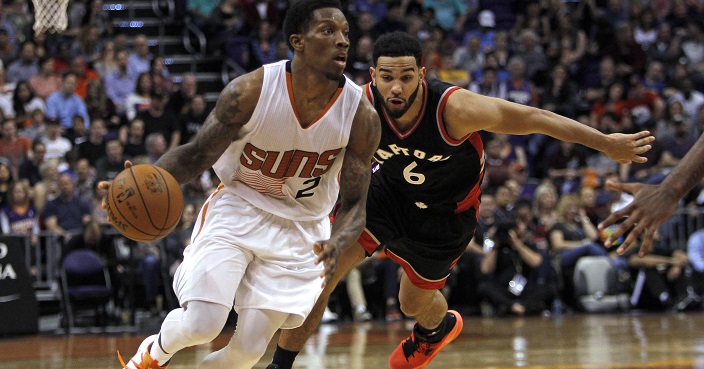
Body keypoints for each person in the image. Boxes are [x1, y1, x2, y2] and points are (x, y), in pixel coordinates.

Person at [267, 31, 654, 369]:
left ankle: (438, 329)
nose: (396, 88)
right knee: (323, 272)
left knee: (411, 303)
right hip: (388, 194)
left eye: (406, 77)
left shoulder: (455, 109)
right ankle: (280, 365)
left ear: (422, 74)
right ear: (374, 77)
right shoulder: (358, 107)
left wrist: (605, 143)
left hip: (445, 216)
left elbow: (535, 117)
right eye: (387, 78)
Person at [109, 1, 381, 369]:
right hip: (240, 207)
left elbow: (355, 205)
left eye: (346, 33)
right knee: (202, 324)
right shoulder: (252, 91)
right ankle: (152, 355)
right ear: (297, 41)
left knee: (250, 350)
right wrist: (137, 184)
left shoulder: (360, 115)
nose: (343, 42)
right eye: (329, 32)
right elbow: (197, 153)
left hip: (302, 230)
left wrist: (337, 241)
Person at [600, 133, 704, 257]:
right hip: (621, 246)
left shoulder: (630, 200)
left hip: (636, 243)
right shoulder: (603, 205)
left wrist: (668, 192)